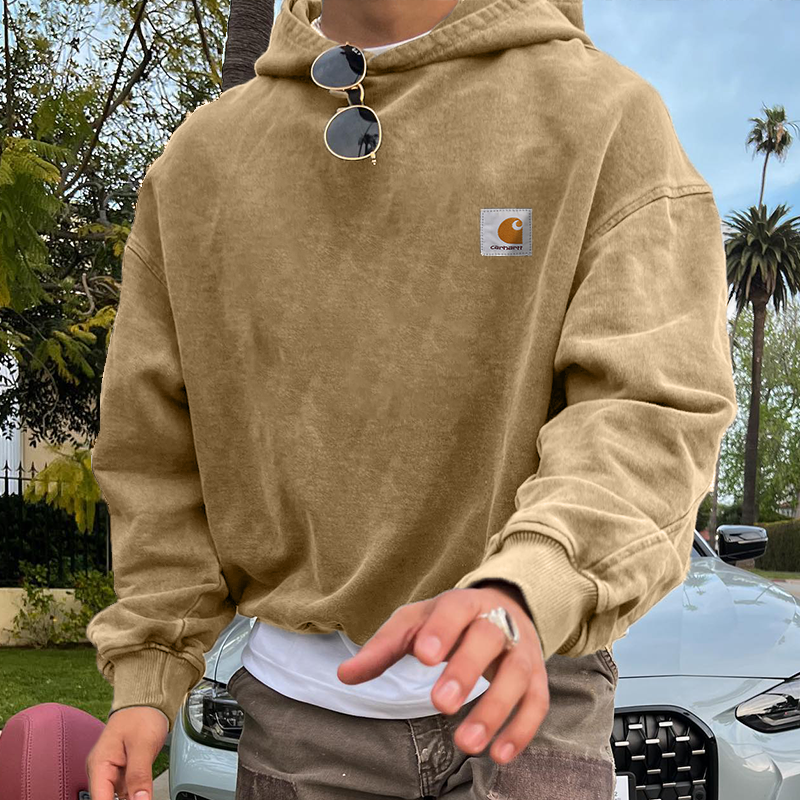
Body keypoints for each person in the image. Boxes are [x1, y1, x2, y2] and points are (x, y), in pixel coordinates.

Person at [84, 0, 739, 798]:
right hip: (297, 731)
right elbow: (154, 447)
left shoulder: (606, 117)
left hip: (532, 705)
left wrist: (531, 585)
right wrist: (149, 671)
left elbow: (649, 408)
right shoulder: (200, 163)